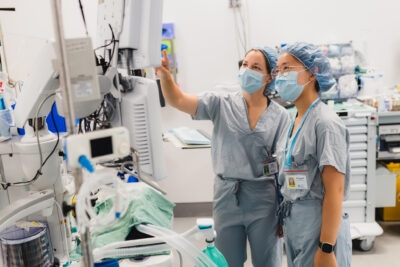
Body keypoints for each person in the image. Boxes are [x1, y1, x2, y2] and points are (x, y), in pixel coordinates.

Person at [156, 46, 291, 267]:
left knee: (268, 262)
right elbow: (178, 100)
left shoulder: (280, 116)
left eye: (256, 67)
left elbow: (283, 167)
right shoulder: (220, 103)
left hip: (264, 201)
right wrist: (165, 76)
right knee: (225, 263)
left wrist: (283, 210)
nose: (247, 70)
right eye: (245, 65)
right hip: (227, 197)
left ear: (269, 76)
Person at [274, 42, 352, 267]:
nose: (280, 76)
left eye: (287, 68)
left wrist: (326, 248)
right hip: (295, 222)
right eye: (277, 70)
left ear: (312, 73)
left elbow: (335, 190)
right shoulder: (294, 119)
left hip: (319, 226)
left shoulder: (326, 124)